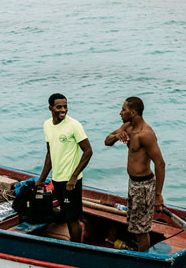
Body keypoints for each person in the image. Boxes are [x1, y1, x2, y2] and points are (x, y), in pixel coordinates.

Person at [104, 96, 165, 252]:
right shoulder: (127, 127)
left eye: (123, 110)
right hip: (133, 183)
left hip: (144, 186)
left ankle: (144, 259)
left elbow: (160, 164)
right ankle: (140, 253)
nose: (120, 112)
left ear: (133, 112)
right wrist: (117, 136)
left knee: (141, 230)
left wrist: (158, 195)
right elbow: (107, 141)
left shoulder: (146, 134)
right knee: (134, 225)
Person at [36, 93, 92, 242]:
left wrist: (74, 177)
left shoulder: (74, 125)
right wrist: (41, 179)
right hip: (57, 179)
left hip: (71, 182)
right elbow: (50, 154)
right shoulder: (47, 125)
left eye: (65, 106)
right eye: (59, 107)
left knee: (72, 219)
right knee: (66, 214)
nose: (63, 110)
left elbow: (88, 151)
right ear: (50, 108)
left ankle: (75, 250)